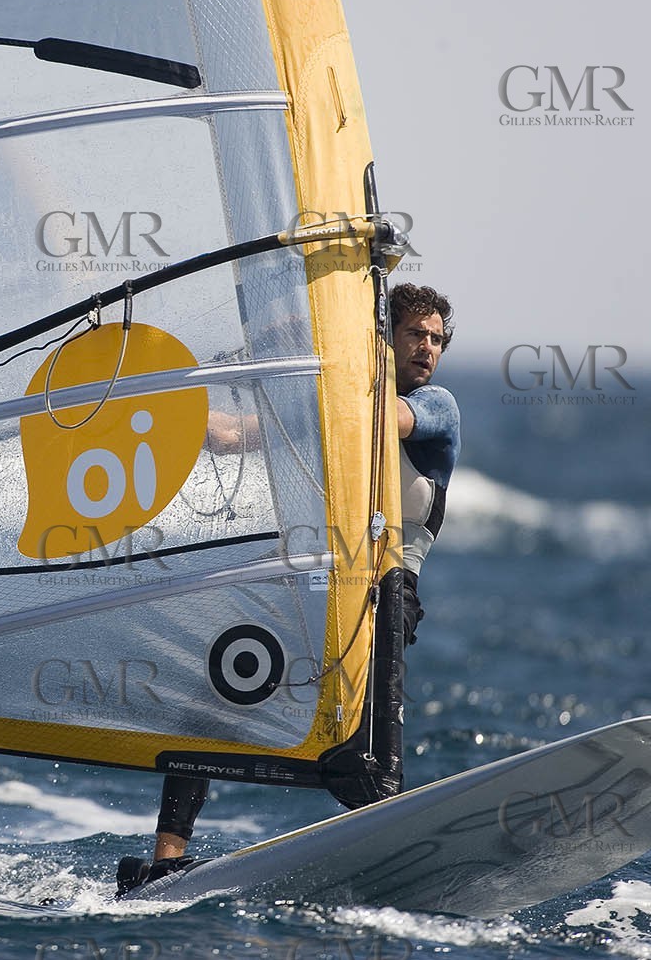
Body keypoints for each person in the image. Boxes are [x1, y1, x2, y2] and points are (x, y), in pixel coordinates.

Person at [116, 283, 460, 897]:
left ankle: (386, 845)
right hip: (309, 587)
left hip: (385, 590)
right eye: (414, 334)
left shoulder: (436, 407)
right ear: (387, 339)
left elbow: (380, 416)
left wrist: (324, 361)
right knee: (210, 706)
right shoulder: (331, 404)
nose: (427, 348)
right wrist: (144, 404)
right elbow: (224, 435)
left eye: (436, 338)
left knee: (365, 741)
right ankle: (164, 863)